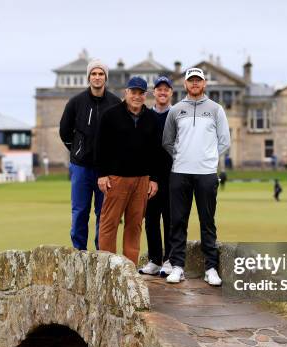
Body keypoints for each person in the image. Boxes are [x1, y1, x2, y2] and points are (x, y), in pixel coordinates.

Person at [162, 67, 231, 286]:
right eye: (191, 80)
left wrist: (208, 158)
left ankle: (211, 268)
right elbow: (167, 141)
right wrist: (182, 156)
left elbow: (224, 141)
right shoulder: (176, 110)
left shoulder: (216, 109)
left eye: (198, 80)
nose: (194, 84)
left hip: (206, 173)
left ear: (204, 84)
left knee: (207, 221)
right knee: (178, 221)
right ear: (185, 84)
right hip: (180, 172)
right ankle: (177, 266)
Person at [95, 77, 160, 265]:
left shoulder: (152, 119)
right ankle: (107, 268)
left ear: (145, 95)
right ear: (126, 93)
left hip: (142, 180)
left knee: (134, 226)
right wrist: (102, 174)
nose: (137, 97)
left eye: (141, 93)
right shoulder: (110, 115)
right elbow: (101, 147)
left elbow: (156, 151)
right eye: (134, 92)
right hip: (116, 179)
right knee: (109, 224)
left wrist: (153, 179)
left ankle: (129, 270)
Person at [59, 59, 121, 250]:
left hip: (106, 170)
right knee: (80, 212)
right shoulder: (75, 102)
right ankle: (79, 252)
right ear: (89, 77)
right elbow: (65, 131)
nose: (97, 77)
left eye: (100, 74)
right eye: (93, 74)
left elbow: (120, 134)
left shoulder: (115, 103)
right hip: (81, 167)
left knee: (104, 214)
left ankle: (100, 254)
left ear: (105, 77)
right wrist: (78, 150)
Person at [139, 76, 175, 277]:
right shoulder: (146, 115)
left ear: (171, 92)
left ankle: (169, 260)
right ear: (154, 92)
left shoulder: (176, 114)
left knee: (170, 219)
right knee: (151, 219)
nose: (162, 92)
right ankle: (154, 259)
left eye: (166, 89)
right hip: (150, 177)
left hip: (171, 175)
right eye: (159, 89)